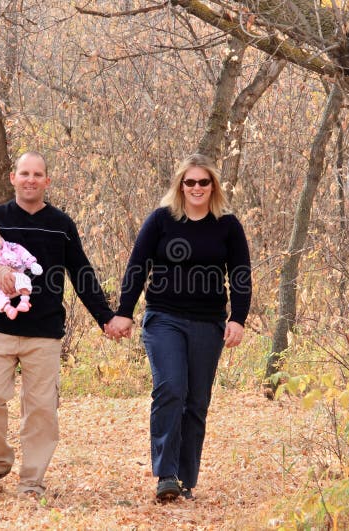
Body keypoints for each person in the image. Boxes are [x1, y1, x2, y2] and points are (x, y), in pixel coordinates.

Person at [0, 151, 117, 497]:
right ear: (13, 178)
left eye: (37, 174)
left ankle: (32, 482)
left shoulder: (61, 224)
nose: (30, 179)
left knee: (41, 410)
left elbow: (81, 273)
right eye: (24, 173)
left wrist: (106, 318)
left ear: (46, 181)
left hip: (44, 332)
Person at [108, 153, 251, 502]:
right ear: (180, 186)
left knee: (197, 401)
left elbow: (241, 275)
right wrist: (124, 311)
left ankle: (186, 479)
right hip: (164, 318)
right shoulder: (161, 220)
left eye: (204, 182)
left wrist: (238, 318)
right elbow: (137, 266)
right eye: (190, 182)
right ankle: (166, 475)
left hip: (208, 322)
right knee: (171, 388)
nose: (197, 188)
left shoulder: (227, 226)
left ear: (213, 186)